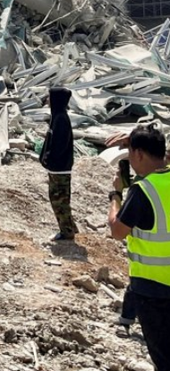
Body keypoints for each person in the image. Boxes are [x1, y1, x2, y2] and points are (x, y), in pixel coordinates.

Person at [108, 124, 170, 370]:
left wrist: (115, 195)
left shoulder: (142, 191)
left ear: (139, 154)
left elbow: (117, 231)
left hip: (152, 290)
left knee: (163, 357)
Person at [41, 86, 78, 241]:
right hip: (57, 167)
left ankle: (66, 231)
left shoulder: (61, 119)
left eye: (50, 97)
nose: (47, 100)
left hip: (60, 168)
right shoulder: (57, 116)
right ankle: (70, 226)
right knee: (60, 198)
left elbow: (59, 145)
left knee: (59, 200)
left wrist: (50, 159)